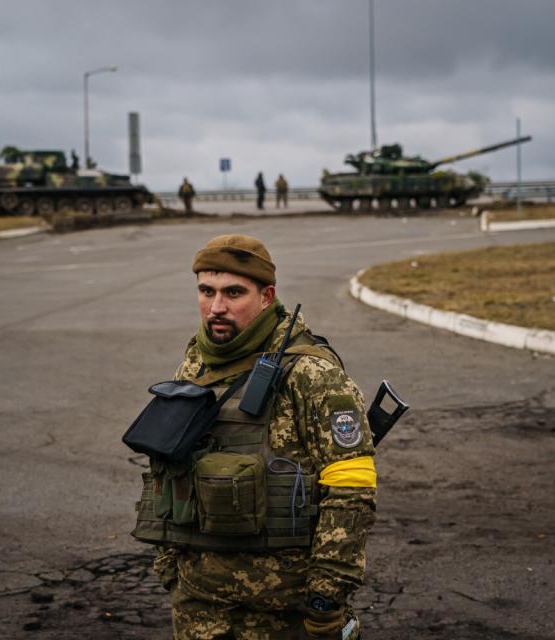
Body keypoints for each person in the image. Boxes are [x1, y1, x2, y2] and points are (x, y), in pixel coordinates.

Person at [130, 234, 377, 639]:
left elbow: (351, 491)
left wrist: (326, 598)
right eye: (206, 291)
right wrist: (171, 570)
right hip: (200, 605)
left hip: (286, 608)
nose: (216, 307)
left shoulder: (312, 373)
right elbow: (165, 470)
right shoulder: (195, 364)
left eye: (233, 293)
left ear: (266, 297)